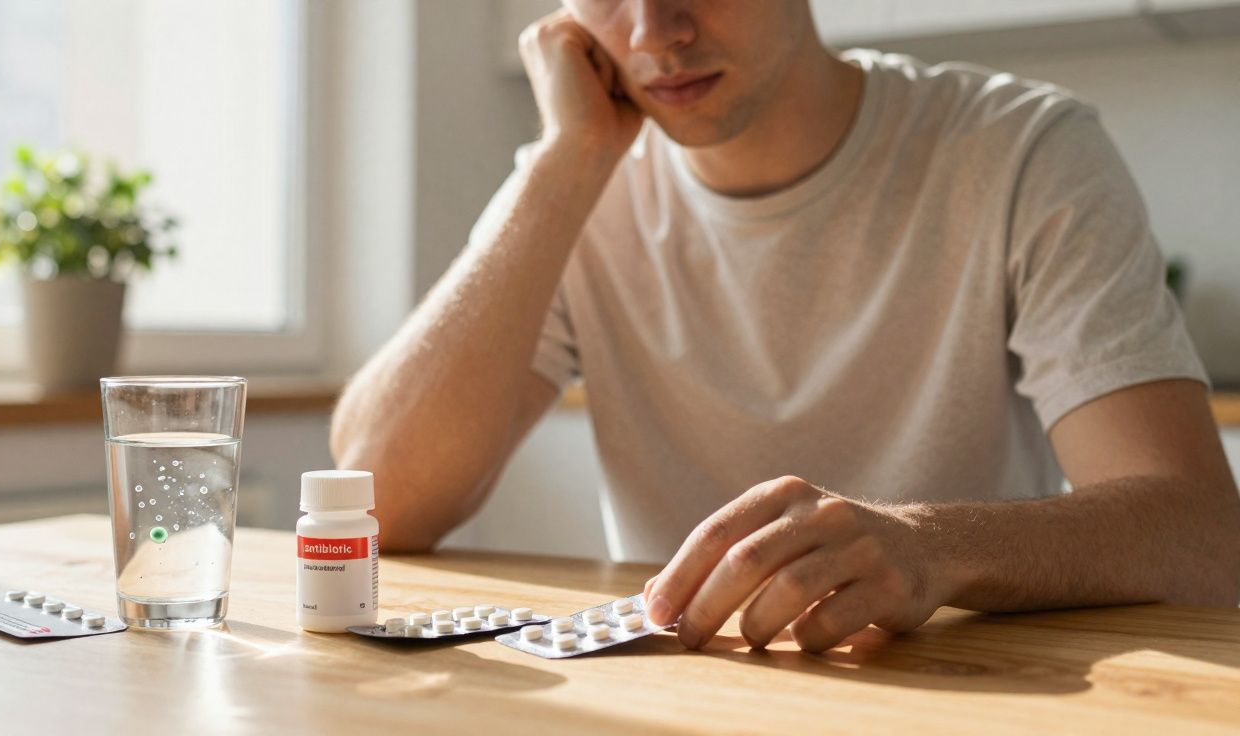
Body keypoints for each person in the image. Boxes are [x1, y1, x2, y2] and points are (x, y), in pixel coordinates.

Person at [331, 0, 1240, 653]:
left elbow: (1201, 534)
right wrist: (568, 162)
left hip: (962, 690)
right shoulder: (575, 181)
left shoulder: (1022, 152)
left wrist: (933, 546)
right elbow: (376, 500)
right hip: (684, 690)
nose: (655, 32)